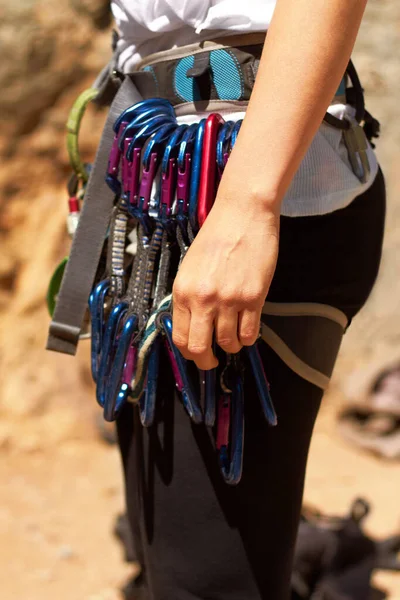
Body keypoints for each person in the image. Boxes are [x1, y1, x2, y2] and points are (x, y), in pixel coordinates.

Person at [111, 1, 386, 598]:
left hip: (244, 195)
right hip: (161, 182)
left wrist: (246, 208)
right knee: (174, 553)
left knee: (206, 584)